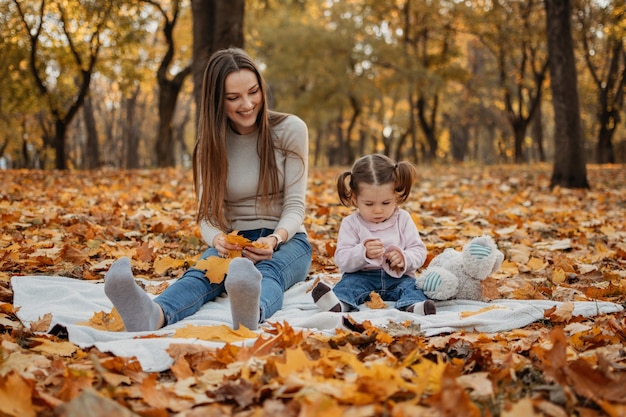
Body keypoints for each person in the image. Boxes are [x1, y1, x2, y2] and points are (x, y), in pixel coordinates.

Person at [104, 48, 312, 331]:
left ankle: (252, 312)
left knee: (267, 272)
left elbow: (296, 206)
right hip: (234, 241)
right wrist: (218, 241)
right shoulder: (209, 147)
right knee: (201, 275)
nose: (248, 104)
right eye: (233, 97)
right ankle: (153, 314)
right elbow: (208, 217)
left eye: (253, 92)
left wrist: (274, 239)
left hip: (287, 241)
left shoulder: (291, 129)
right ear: (217, 100)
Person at [311, 154, 436, 315]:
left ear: (396, 197)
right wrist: (363, 253)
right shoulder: (351, 223)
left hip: (399, 277)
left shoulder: (402, 219)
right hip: (362, 276)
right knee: (348, 286)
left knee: (413, 287)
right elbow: (342, 259)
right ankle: (339, 304)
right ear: (355, 198)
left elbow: (418, 251)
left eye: (386, 203)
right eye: (369, 204)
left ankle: (414, 305)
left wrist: (403, 258)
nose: (378, 210)